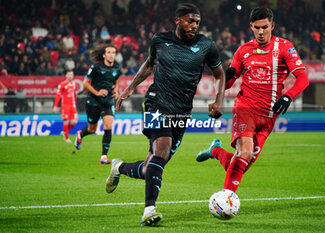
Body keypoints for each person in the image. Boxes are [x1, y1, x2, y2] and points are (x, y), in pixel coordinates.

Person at [105, 3, 225, 226]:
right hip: (156, 102)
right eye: (190, 21)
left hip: (182, 111)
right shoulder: (160, 39)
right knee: (161, 149)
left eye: (197, 22)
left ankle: (119, 167)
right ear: (177, 20)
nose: (194, 26)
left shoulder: (206, 45)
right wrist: (130, 88)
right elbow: (150, 64)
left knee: (152, 165)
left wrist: (219, 100)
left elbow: (219, 74)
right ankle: (149, 210)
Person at [196, 7, 309, 193]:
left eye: (265, 27)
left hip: (269, 116)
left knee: (241, 165)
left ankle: (215, 151)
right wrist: (227, 76)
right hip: (245, 108)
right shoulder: (243, 50)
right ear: (251, 27)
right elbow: (227, 84)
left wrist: (288, 96)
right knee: (245, 153)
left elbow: (303, 78)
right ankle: (226, 199)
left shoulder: (284, 47)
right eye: (257, 28)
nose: (261, 32)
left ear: (272, 25)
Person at [74, 45, 121, 164]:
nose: (111, 54)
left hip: (108, 101)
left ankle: (104, 156)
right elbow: (85, 84)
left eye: (113, 52)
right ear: (104, 55)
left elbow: (115, 82)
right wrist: (97, 93)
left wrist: (116, 91)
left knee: (108, 126)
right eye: (109, 52)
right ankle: (81, 134)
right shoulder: (96, 67)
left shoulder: (117, 68)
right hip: (93, 101)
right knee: (92, 129)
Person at [53, 70, 78, 143]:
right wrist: (55, 106)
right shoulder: (62, 84)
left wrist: (75, 101)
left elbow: (74, 93)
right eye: (69, 74)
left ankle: (65, 131)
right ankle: (67, 137)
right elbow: (58, 96)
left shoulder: (74, 83)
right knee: (66, 121)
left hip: (72, 105)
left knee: (74, 121)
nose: (70, 76)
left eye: (72, 74)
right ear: (66, 75)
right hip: (65, 105)